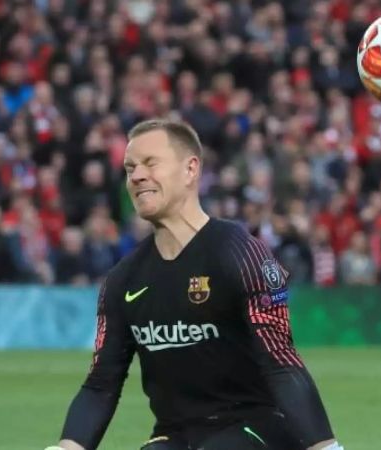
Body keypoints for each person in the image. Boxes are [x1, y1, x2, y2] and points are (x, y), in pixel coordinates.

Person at [45, 119, 342, 450]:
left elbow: (281, 360)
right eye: (130, 168)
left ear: (190, 169)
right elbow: (100, 385)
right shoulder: (122, 280)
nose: (136, 176)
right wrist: (66, 447)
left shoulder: (240, 253)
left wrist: (325, 447)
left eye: (150, 163)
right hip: (175, 435)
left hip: (256, 429)